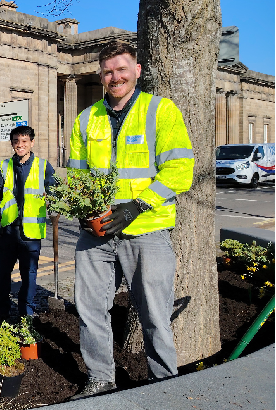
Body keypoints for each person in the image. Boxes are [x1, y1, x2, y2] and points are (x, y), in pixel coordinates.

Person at [67, 41, 194, 399]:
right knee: (90, 309)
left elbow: (181, 169)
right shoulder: (86, 118)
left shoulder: (161, 111)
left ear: (137, 71)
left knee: (155, 313)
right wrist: (82, 209)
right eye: (108, 71)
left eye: (122, 69)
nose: (114, 77)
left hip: (147, 230)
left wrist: (137, 206)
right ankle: (100, 378)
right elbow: (79, 178)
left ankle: (164, 383)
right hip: (98, 233)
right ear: (101, 75)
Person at [0, 125, 55, 324]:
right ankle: (1, 311)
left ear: (31, 143)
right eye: (16, 141)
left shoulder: (44, 166)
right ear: (12, 144)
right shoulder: (4, 166)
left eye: (24, 141)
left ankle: (27, 313)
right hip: (8, 230)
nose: (20, 145)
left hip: (31, 233)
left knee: (29, 276)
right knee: (2, 275)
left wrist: (50, 197)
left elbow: (56, 191)